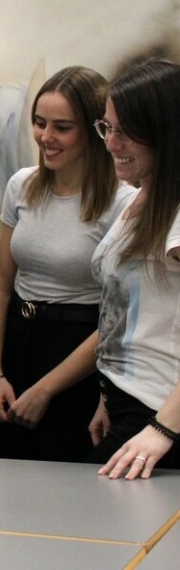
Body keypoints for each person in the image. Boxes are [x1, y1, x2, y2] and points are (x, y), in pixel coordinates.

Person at [0, 66, 135, 463]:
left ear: (94, 130)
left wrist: (47, 389)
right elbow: (0, 284)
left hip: (79, 358)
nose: (46, 137)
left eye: (62, 127)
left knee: (67, 493)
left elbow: (117, 318)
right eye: (39, 122)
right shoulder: (21, 185)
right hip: (18, 344)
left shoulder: (122, 202)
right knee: (3, 483)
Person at [88, 58, 180, 479]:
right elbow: (123, 316)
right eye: (107, 127)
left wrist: (164, 428)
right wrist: (109, 396)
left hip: (162, 414)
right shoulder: (139, 197)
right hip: (129, 404)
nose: (111, 143)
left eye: (125, 132)